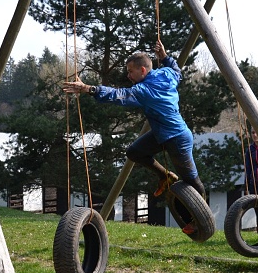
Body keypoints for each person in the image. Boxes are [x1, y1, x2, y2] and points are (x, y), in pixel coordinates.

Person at [62, 39, 205, 235]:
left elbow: (118, 95)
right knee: (134, 152)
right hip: (161, 134)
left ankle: (200, 219)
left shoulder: (144, 90)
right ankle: (165, 176)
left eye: (131, 71)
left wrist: (89, 88)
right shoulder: (166, 74)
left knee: (191, 180)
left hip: (177, 138)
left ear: (143, 70)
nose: (128, 76)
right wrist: (164, 57)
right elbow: (176, 70)